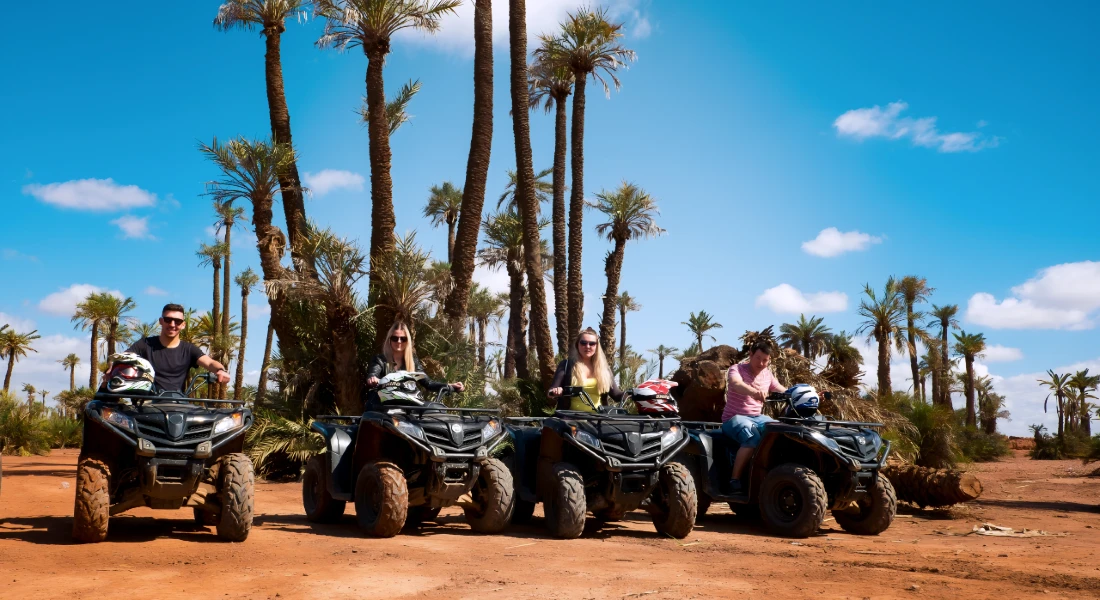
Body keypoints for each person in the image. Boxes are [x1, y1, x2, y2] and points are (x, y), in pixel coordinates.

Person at [721, 342, 786, 492]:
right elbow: (736, 384)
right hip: (735, 418)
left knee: (781, 431)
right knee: (752, 438)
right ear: (750, 355)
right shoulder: (736, 369)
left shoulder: (767, 374)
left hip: (758, 417)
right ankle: (735, 480)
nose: (761, 363)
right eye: (758, 358)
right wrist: (753, 392)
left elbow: (783, 390)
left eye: (765, 360)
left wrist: (804, 394)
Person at [125, 303, 230, 393]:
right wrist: (113, 365)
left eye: (177, 321)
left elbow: (210, 363)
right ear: (161, 321)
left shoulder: (189, 349)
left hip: (179, 403)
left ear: (183, 325)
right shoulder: (145, 344)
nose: (172, 324)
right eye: (168, 320)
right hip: (147, 404)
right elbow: (124, 357)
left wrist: (220, 370)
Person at [365, 321, 465, 403]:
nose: (399, 342)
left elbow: (428, 383)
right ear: (389, 340)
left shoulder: (412, 362)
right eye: (395, 338)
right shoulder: (380, 360)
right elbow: (373, 374)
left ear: (407, 341)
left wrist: (449, 386)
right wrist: (373, 379)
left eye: (403, 339)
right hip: (384, 406)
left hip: (408, 407)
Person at [548, 327, 624, 412]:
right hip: (570, 419)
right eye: (583, 343)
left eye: (592, 344)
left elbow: (616, 395)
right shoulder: (566, 365)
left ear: (597, 346)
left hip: (598, 420)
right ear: (577, 345)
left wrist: (634, 393)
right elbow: (550, 392)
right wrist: (556, 391)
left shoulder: (604, 369)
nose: (587, 346)